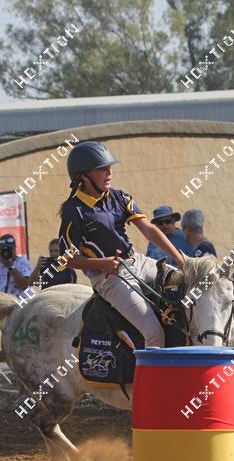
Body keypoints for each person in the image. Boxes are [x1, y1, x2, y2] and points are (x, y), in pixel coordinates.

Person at [58, 141, 183, 348]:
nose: (109, 173)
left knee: (188, 285)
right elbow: (66, 258)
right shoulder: (74, 210)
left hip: (138, 261)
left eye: (109, 167)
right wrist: (102, 264)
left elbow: (149, 230)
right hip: (109, 278)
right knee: (154, 333)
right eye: (102, 169)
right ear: (84, 176)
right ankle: (150, 370)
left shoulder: (120, 197)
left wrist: (180, 260)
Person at [0, 234, 34, 298]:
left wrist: (10, 266)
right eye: (3, 250)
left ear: (15, 248)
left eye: (9, 249)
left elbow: (24, 286)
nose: (7, 252)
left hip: (20, 301)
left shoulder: (22, 262)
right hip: (2, 301)